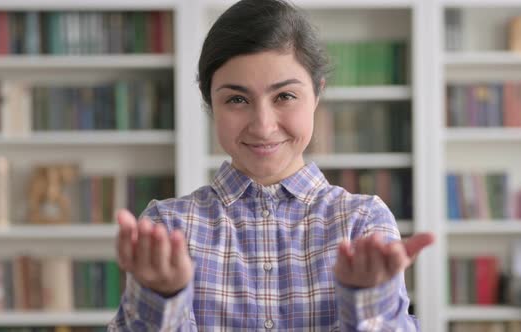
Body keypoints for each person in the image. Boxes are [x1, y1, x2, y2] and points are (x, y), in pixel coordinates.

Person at [108, 0, 434, 330]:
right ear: (211, 103)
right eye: (237, 99)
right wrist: (163, 299)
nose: (263, 126)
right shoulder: (166, 229)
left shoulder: (363, 224)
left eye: (284, 97)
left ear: (317, 94)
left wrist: (368, 304)